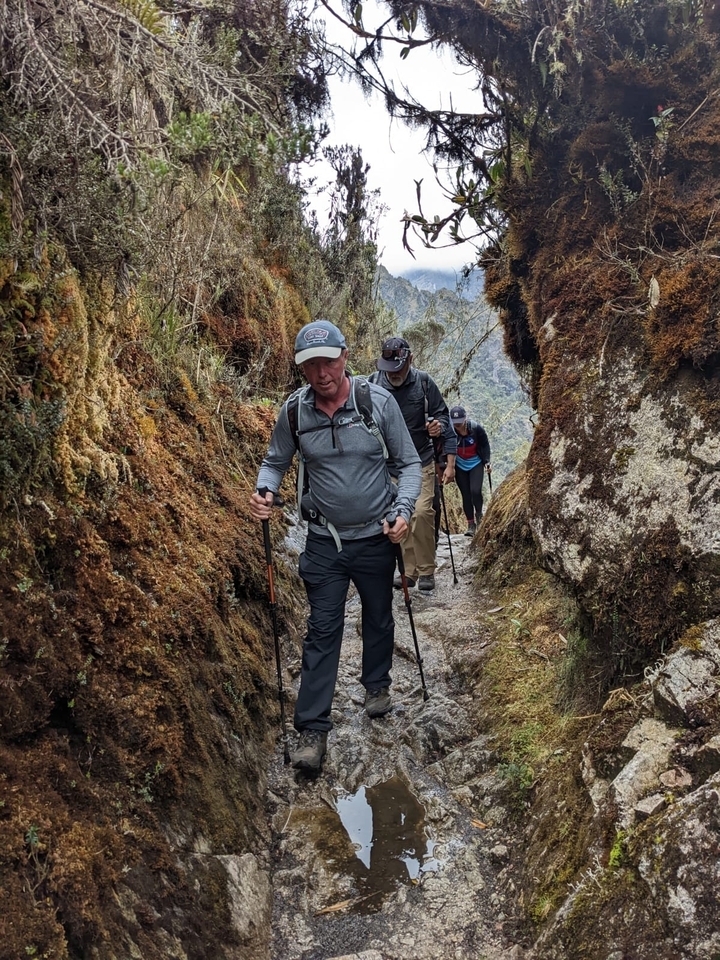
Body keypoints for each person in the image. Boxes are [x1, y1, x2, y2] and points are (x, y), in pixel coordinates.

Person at [250, 320, 422, 774]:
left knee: (378, 614)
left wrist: (403, 510)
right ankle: (312, 730)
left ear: (345, 356)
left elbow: (408, 464)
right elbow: (274, 461)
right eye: (311, 365)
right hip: (324, 540)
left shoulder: (376, 402)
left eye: (328, 360)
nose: (321, 372)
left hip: (377, 535)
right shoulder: (294, 412)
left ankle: (376, 685)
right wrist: (265, 490)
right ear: (302, 368)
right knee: (322, 629)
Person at [371, 336, 452, 594]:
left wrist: (439, 426)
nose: (393, 374)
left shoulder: (424, 383)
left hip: (420, 460)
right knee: (398, 515)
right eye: (389, 369)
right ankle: (407, 571)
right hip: (387, 465)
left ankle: (426, 569)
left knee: (422, 513)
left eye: (398, 368)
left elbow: (443, 415)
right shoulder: (373, 385)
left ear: (411, 360)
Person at [450, 405, 492, 537]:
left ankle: (479, 515)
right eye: (454, 422)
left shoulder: (476, 429)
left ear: (465, 418)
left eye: (460, 421)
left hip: (476, 463)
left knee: (475, 491)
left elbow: (485, 444)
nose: (457, 424)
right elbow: (444, 447)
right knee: (466, 495)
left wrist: (487, 461)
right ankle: (471, 525)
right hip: (459, 465)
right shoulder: (450, 432)